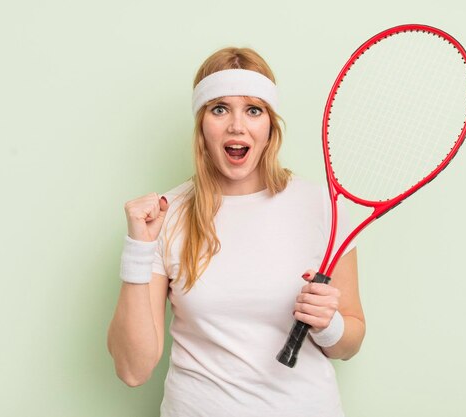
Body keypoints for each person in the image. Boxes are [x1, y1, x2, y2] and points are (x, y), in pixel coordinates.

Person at [107, 47, 365, 417]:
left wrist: (329, 325)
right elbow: (133, 370)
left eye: (253, 110)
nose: (237, 126)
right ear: (202, 125)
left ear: (270, 126)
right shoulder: (165, 214)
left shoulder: (322, 206)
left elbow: (350, 343)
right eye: (219, 109)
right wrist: (137, 250)